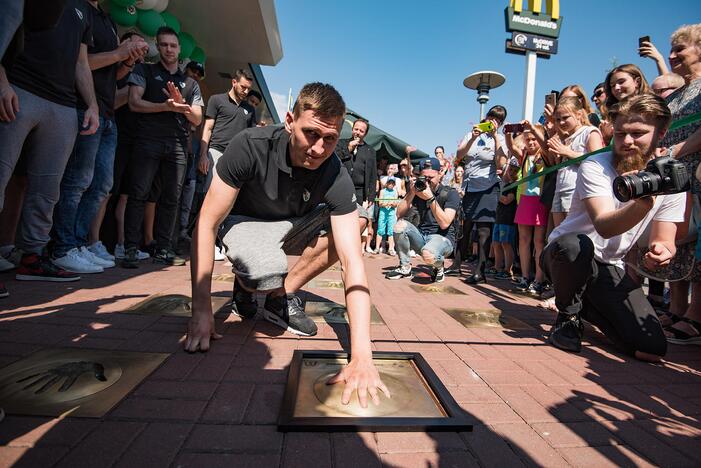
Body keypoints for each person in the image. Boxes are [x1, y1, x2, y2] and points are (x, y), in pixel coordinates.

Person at [187, 82, 388, 408]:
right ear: (290, 120)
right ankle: (247, 283)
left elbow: (353, 262)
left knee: (357, 221)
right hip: (244, 224)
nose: (319, 149)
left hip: (291, 227)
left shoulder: (334, 170)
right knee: (262, 271)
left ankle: (280, 296)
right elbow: (206, 224)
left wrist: (362, 356)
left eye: (330, 139)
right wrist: (202, 311)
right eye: (311, 133)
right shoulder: (249, 145)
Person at [542, 94, 684, 360]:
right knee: (576, 244)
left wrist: (662, 250)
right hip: (565, 256)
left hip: (607, 267)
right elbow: (604, 226)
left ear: (662, 133)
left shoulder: (669, 178)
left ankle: (586, 305)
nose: (627, 142)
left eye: (638, 133)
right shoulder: (595, 165)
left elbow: (665, 239)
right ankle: (568, 316)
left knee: (650, 348)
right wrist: (642, 203)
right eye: (620, 134)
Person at [0, 0, 98, 285]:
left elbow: (81, 63)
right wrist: (2, 83)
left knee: (47, 189)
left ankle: (32, 256)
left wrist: (92, 105)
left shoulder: (84, 10)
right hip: (18, 90)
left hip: (63, 105)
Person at [52, 1, 148, 274]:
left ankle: (80, 243)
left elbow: (110, 73)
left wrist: (127, 62)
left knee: (102, 185)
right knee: (77, 181)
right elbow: (81, 62)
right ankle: (62, 247)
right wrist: (120, 53)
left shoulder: (107, 20)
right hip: (85, 107)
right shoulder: (77, 10)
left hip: (107, 114)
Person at [121, 26, 204, 268]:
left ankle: (164, 249)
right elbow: (134, 103)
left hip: (178, 145)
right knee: (138, 194)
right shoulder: (143, 70)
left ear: (180, 50)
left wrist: (183, 107)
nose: (169, 49)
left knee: (172, 198)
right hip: (147, 140)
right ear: (158, 46)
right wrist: (165, 106)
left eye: (173, 45)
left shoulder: (190, 83)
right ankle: (131, 249)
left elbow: (198, 119)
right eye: (164, 44)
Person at [455, 105, 508, 283]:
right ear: (486, 117)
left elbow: (501, 164)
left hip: (488, 187)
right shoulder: (471, 134)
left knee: (484, 230)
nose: (494, 121)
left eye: (499, 120)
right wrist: (473, 138)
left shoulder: (500, 138)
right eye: (492, 117)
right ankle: (456, 265)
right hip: (470, 187)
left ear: (500, 124)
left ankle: (480, 271)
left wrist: (495, 138)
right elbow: (459, 155)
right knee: (466, 227)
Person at [385, 158, 460, 283]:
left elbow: (445, 223)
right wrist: (412, 193)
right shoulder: (419, 191)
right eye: (424, 177)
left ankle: (438, 266)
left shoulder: (450, 193)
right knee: (399, 226)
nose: (428, 181)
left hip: (443, 239)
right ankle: (405, 267)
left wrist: (430, 198)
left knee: (428, 254)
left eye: (431, 177)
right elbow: (399, 213)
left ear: (439, 173)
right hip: (422, 236)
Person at [547, 96, 605, 228]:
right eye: (558, 119)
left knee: (574, 235)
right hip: (560, 189)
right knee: (560, 236)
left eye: (565, 117)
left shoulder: (589, 132)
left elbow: (598, 161)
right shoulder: (567, 137)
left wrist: (567, 152)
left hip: (577, 191)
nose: (561, 122)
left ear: (578, 114)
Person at [510, 123, 550, 291]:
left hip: (540, 199)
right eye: (528, 139)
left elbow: (546, 146)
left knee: (539, 241)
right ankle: (525, 277)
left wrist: (535, 130)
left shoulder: (546, 154)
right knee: (523, 240)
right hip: (525, 199)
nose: (531, 142)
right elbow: (511, 148)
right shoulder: (525, 155)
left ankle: (539, 279)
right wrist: (507, 133)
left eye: (534, 139)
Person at [335, 118, 377, 254]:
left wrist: (371, 196)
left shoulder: (370, 151)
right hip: (341, 187)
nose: (358, 132)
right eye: (356, 129)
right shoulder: (341, 143)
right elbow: (334, 159)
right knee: (339, 218)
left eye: (361, 131)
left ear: (365, 133)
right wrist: (349, 148)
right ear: (352, 129)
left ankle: (350, 248)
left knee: (355, 220)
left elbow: (372, 174)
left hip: (359, 191)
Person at [490, 160, 519, 281]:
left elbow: (508, 200)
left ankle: (508, 270)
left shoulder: (516, 185)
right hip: (499, 217)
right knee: (496, 243)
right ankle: (497, 267)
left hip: (508, 219)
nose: (511, 172)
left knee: (506, 243)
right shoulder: (505, 185)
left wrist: (495, 195)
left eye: (514, 170)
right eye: (510, 169)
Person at [374, 177, 399, 255]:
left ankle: (391, 249)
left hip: (391, 213)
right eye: (389, 183)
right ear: (387, 183)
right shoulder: (382, 191)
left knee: (391, 231)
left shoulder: (395, 192)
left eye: (392, 183)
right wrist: (387, 203)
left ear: (394, 184)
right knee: (380, 230)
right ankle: (377, 248)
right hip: (383, 213)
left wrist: (391, 204)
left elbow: (395, 204)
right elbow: (380, 203)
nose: (391, 185)